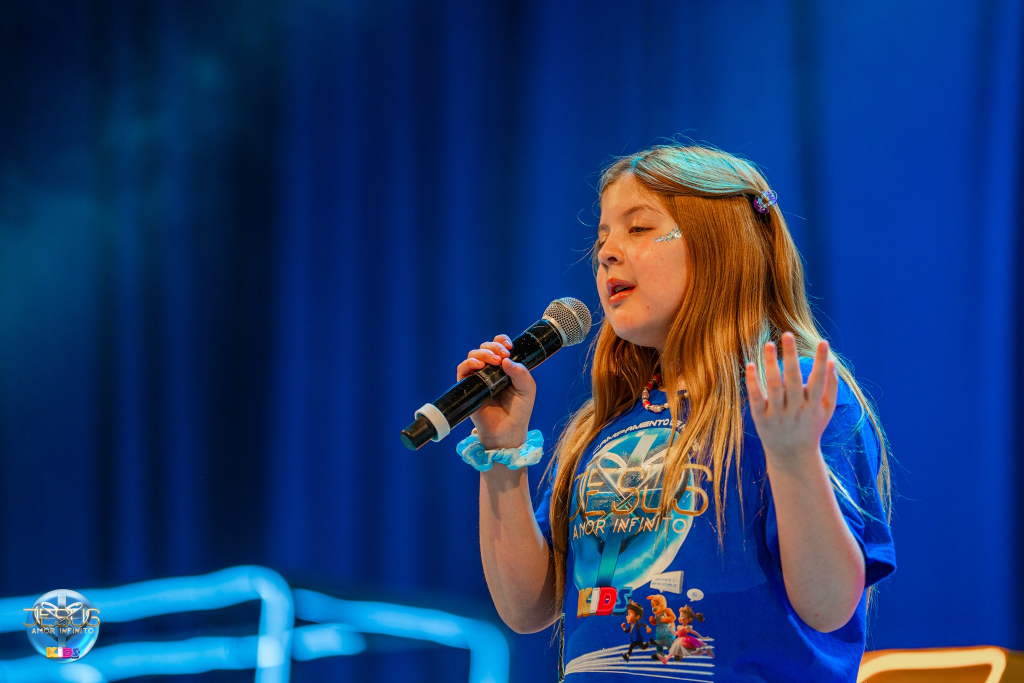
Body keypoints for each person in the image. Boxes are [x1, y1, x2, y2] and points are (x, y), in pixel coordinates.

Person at [455, 144, 896, 682]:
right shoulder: (608, 421)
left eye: (638, 228)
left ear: (720, 247)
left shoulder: (788, 390)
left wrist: (793, 455)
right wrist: (502, 452)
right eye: (602, 238)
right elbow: (527, 609)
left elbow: (828, 605)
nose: (607, 252)